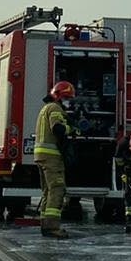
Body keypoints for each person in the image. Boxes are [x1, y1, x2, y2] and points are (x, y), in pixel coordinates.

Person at [34, 80, 77, 239]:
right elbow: (57, 129)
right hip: (51, 157)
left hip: (42, 156)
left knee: (48, 191)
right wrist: (71, 128)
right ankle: (52, 227)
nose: (69, 101)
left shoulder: (46, 108)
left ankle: (45, 224)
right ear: (59, 97)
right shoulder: (54, 108)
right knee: (58, 189)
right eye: (67, 98)